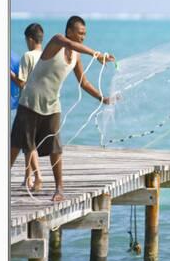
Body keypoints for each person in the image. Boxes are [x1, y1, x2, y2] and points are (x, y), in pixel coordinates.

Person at [10, 15, 115, 202]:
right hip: (30, 103)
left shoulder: (76, 56)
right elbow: (71, 44)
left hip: (52, 106)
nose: (83, 37)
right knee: (17, 146)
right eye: (80, 33)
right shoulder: (57, 41)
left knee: (56, 148)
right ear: (69, 31)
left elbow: (83, 82)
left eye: (85, 34)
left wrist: (103, 98)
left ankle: (59, 189)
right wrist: (96, 54)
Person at [10, 23, 45, 190]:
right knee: (28, 143)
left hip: (27, 105)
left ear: (30, 39)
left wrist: (10, 74)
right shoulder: (47, 55)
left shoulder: (28, 56)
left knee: (27, 143)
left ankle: (37, 177)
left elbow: (22, 82)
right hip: (44, 104)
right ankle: (28, 178)